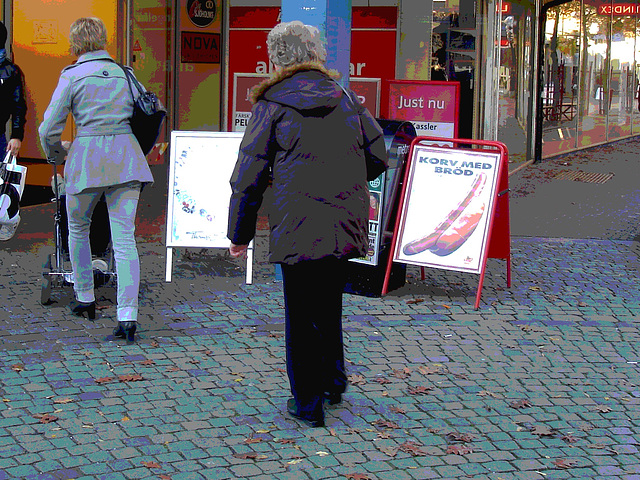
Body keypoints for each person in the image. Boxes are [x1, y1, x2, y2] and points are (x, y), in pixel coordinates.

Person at [227, 21, 388, 427]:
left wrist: (239, 235)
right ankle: (333, 380)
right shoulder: (347, 98)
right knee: (329, 302)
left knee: (300, 313)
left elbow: (248, 176)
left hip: (297, 221)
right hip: (341, 217)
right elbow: (377, 158)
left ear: (276, 58)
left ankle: (308, 404)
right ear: (315, 52)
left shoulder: (270, 105)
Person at [39, 17, 153, 343]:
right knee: (125, 240)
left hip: (86, 160)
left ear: (75, 43)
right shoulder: (125, 74)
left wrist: (54, 154)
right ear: (103, 40)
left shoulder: (72, 75)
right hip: (127, 160)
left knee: (77, 227)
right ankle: (127, 318)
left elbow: (48, 128)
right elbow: (145, 109)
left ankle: (85, 297)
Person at [0, 20, 27, 241]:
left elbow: (19, 106)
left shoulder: (10, 71)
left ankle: (6, 219)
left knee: (2, 182)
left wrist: (16, 136)